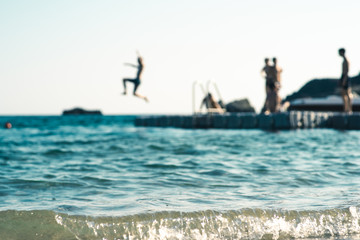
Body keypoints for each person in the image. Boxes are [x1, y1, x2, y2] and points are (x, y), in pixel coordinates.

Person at [338, 48, 352, 113]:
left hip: (345, 77)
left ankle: (348, 109)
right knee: (344, 94)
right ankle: (346, 108)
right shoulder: (344, 60)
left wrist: (344, 80)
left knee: (347, 93)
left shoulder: (346, 60)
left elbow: (346, 71)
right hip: (344, 77)